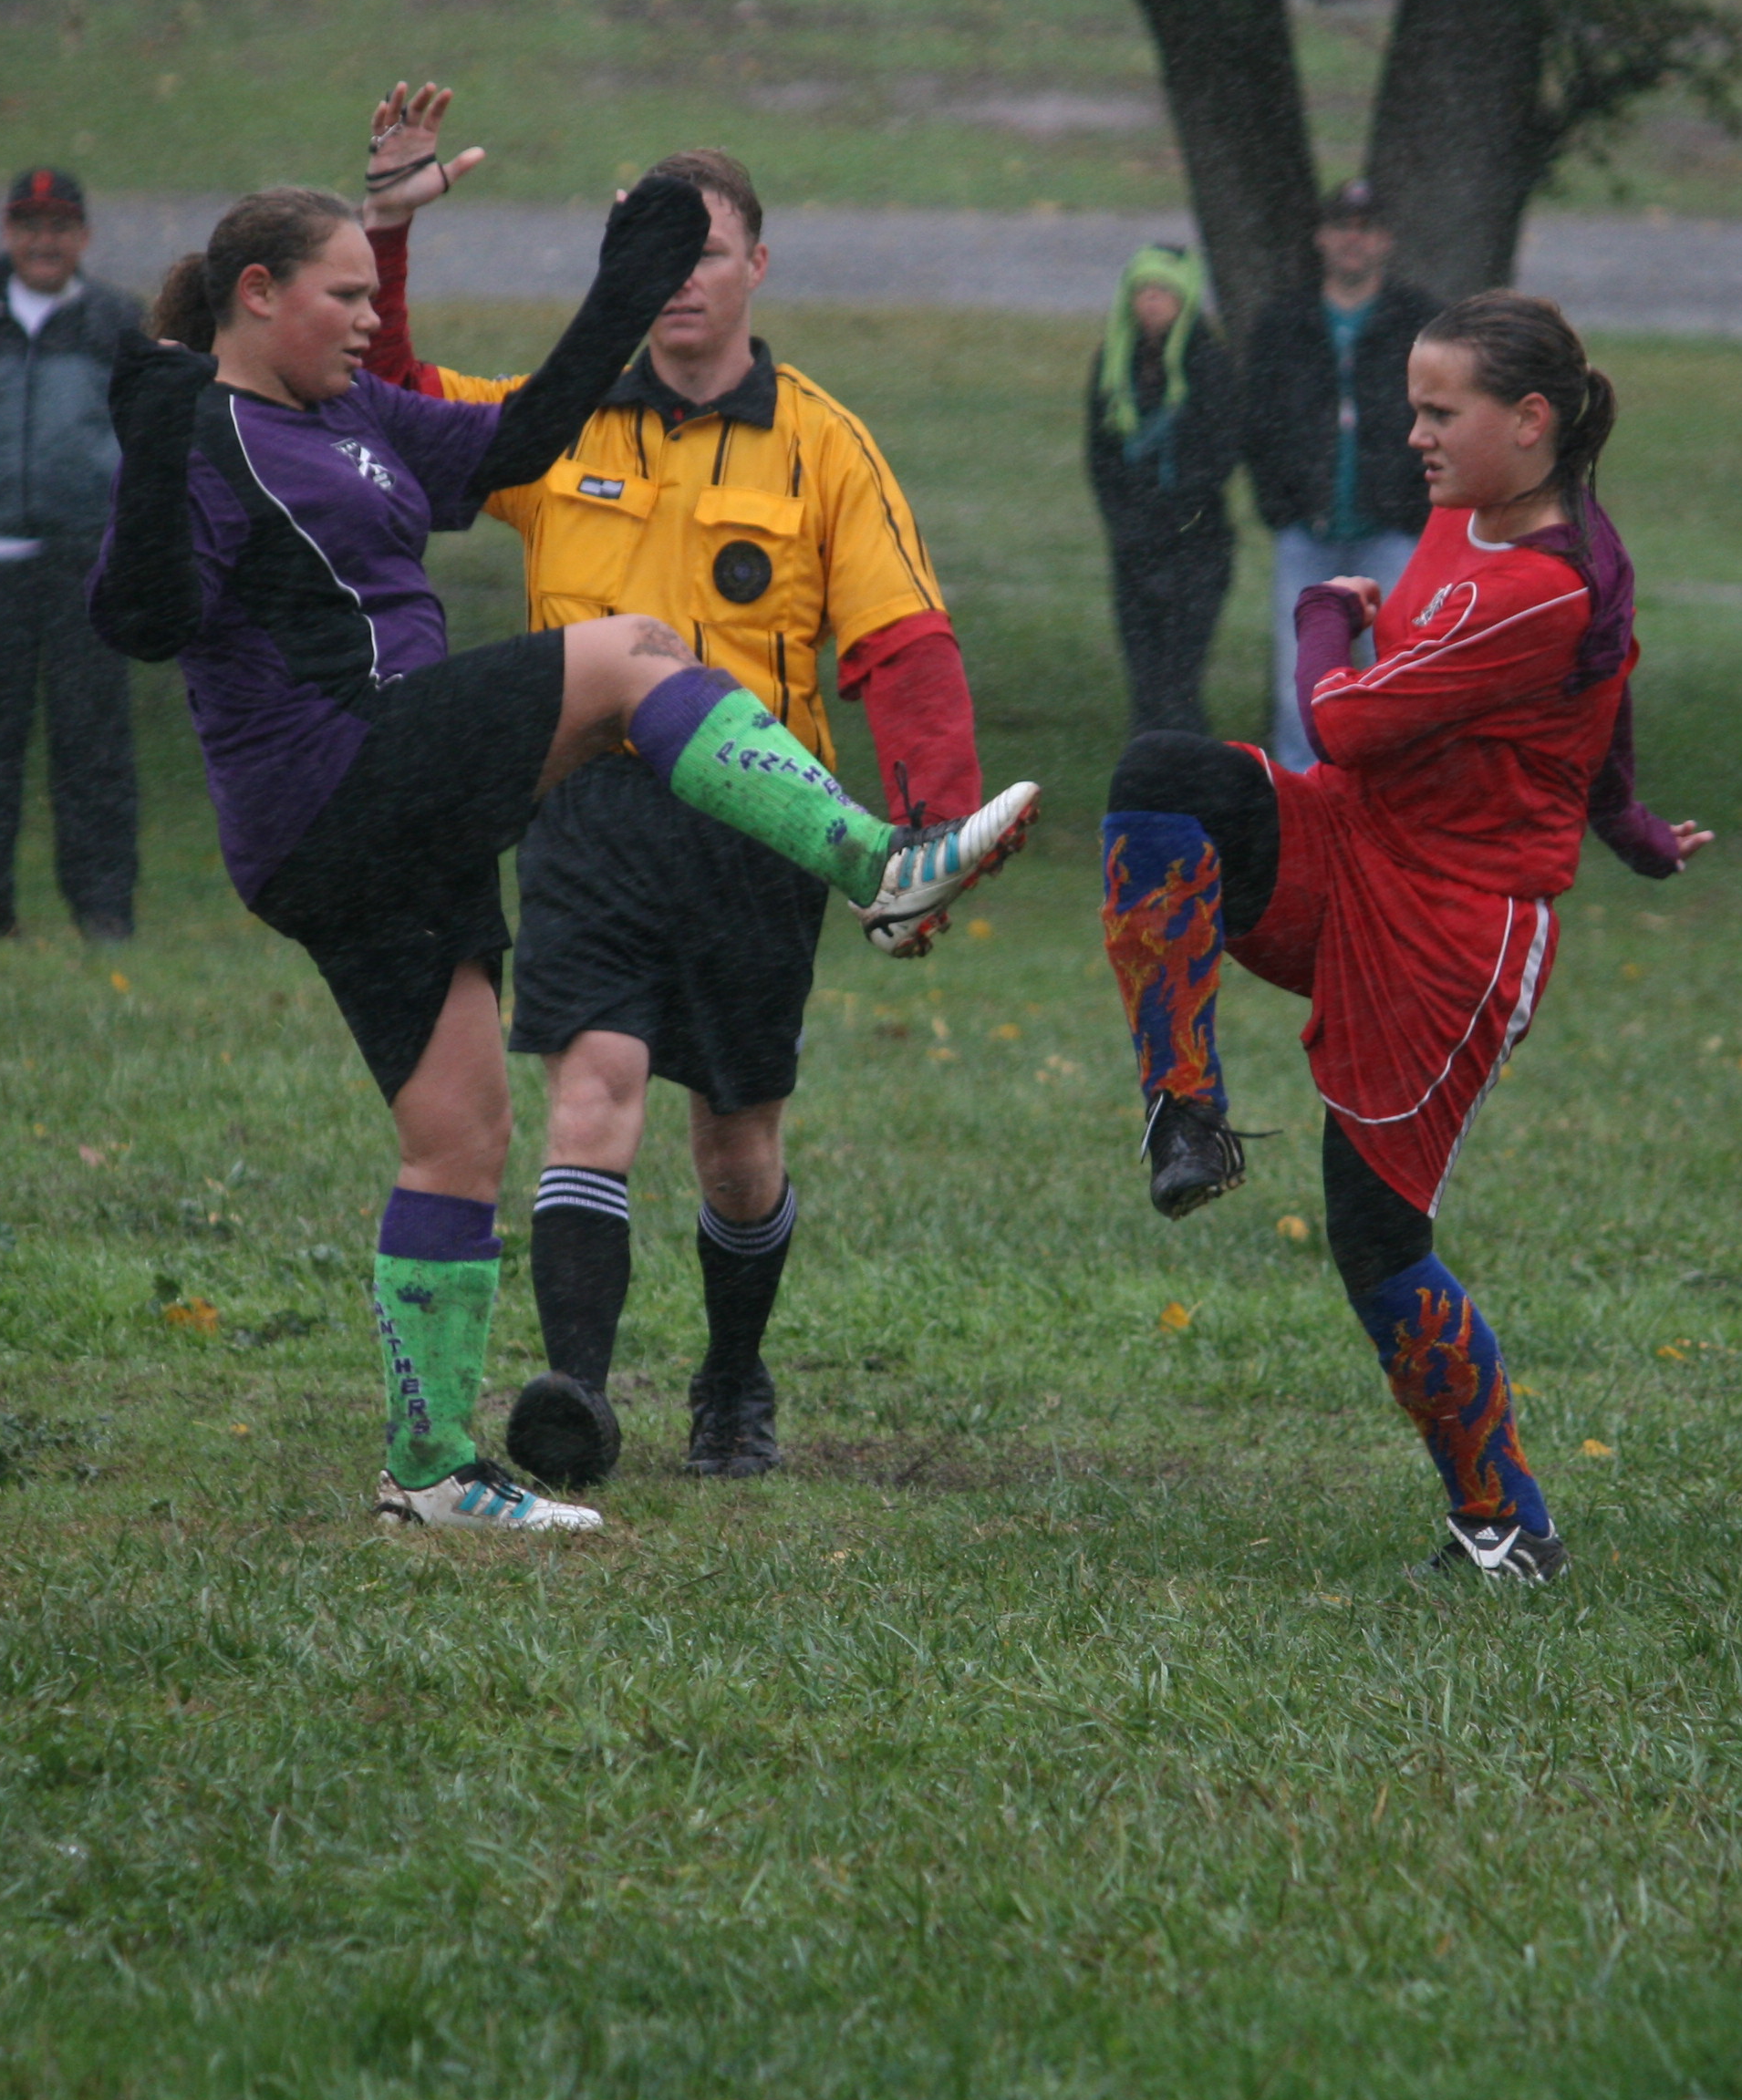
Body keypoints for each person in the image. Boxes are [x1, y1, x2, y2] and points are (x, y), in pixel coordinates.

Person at [88, 176, 1038, 1536]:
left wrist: (625, 281)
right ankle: (876, 864)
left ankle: (430, 1471)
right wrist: (145, 445)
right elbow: (141, 617)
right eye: (344, 295)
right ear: (258, 294)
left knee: (462, 1142)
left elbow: (526, 434)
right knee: (634, 650)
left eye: (368, 294)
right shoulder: (203, 428)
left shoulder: (355, 415)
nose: (367, 319)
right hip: (338, 780)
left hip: (393, 828)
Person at [355, 88, 997, 1491]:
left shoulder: (824, 443)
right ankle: (576, 1396)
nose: (678, 279)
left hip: (763, 829)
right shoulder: (554, 421)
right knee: (593, 1091)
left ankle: (731, 1374)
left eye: (702, 250)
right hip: (587, 810)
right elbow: (387, 405)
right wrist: (389, 233)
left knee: (736, 1147)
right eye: (647, 253)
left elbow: (903, 646)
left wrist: (933, 834)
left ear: (757, 264)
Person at [1093, 290, 1709, 1584]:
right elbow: (1584, 703)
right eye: (1414, 408)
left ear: (1528, 421)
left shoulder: (1546, 586)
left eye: (1440, 412)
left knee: (1376, 1239)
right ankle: (1184, 1115)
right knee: (1163, 774)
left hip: (1453, 933)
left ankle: (1507, 1527)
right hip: (1351, 844)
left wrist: (1326, 615)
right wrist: (1636, 825)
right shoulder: (1467, 513)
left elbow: (1350, 720)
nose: (1415, 434)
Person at [0, 166, 150, 940]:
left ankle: (103, 907)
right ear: (7, 231)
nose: (43, 242)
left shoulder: (118, 320)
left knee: (92, 736)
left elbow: (142, 428)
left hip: (83, 557)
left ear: (83, 237)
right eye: (30, 226)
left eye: (59, 227)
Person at [1238, 179, 1439, 771]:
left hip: (1391, 534)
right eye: (1342, 228)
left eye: (1367, 230)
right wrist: (1281, 503)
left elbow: (1443, 415)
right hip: (1307, 534)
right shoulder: (1285, 322)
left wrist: (1413, 505)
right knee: (1299, 686)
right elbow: (1257, 420)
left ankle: (1384, 800)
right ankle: (1304, 800)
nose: (1354, 241)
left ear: (1386, 241)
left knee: (1393, 677)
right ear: (1321, 238)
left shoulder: (1419, 323)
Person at [1084, 242, 1241, 740]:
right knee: (1145, 678)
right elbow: (1100, 455)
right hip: (1134, 546)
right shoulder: (1114, 364)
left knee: (1180, 679)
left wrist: (1176, 514)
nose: (1152, 301)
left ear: (1185, 299)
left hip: (1196, 545)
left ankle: (1186, 763)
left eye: (1165, 291)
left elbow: (1220, 453)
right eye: (1143, 290)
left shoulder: (1208, 364)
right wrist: (1127, 522)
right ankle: (1153, 763)